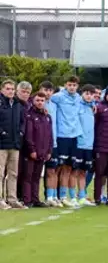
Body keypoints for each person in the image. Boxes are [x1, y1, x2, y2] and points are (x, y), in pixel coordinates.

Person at [51, 76, 83, 208]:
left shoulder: (78, 98)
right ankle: (53, 195)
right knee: (58, 167)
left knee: (69, 167)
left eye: (74, 85)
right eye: (69, 85)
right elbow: (47, 100)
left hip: (74, 136)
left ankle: (63, 196)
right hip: (62, 136)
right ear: (65, 85)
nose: (72, 87)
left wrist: (93, 105)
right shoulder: (57, 97)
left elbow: (88, 103)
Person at [22, 92, 52, 208]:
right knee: (28, 176)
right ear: (33, 101)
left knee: (37, 176)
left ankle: (35, 199)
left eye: (42, 100)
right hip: (31, 152)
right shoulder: (29, 115)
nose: (40, 102)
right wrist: (31, 149)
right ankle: (27, 200)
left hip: (43, 151)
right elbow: (28, 135)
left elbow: (50, 135)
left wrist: (49, 150)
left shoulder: (47, 117)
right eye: (38, 100)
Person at [0, 80, 25, 210]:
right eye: (8, 89)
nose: (10, 91)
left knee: (13, 173)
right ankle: (0, 200)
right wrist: (2, 132)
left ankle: (12, 199)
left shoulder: (17, 104)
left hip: (15, 144)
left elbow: (22, 121)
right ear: (2, 90)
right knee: (0, 173)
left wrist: (21, 132)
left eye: (12, 89)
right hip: (1, 144)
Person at [72, 84, 97, 207]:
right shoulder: (77, 105)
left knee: (83, 172)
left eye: (91, 94)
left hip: (89, 144)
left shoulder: (93, 107)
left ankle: (82, 196)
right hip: (78, 143)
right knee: (73, 171)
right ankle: (71, 197)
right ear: (82, 94)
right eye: (87, 93)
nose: (89, 96)